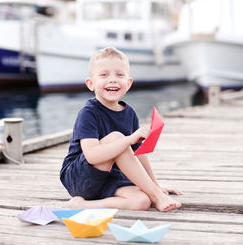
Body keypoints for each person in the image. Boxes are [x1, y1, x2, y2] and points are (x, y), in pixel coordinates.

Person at [60, 46, 182, 212]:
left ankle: (82, 205)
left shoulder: (129, 112)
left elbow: (139, 154)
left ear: (128, 83)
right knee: (117, 138)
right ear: (91, 84)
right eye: (104, 75)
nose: (113, 80)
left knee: (141, 202)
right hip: (81, 178)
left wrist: (154, 184)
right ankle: (157, 197)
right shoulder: (88, 113)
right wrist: (128, 140)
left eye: (120, 75)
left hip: (110, 178)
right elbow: (93, 155)